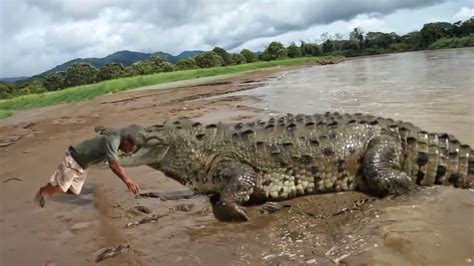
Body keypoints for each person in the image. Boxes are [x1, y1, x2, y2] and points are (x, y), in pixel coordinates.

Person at [34, 125, 143, 207]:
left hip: (83, 165)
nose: (130, 151)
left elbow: (103, 129)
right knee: (61, 187)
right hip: (73, 158)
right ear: (126, 140)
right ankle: (43, 192)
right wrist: (128, 181)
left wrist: (101, 129)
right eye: (131, 147)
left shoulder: (118, 135)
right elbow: (114, 165)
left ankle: (53, 185)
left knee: (74, 191)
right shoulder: (113, 141)